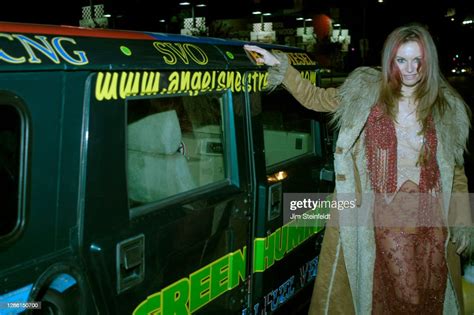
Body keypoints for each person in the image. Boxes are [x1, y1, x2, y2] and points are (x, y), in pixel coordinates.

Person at [244, 24, 473, 314]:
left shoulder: (446, 108)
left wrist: (463, 221)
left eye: (418, 61)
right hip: (378, 219)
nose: (411, 69)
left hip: (430, 223)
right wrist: (282, 67)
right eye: (402, 60)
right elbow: (316, 98)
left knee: (427, 298)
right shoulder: (366, 92)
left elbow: (456, 173)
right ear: (390, 60)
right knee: (388, 295)